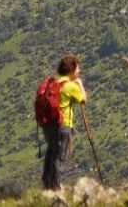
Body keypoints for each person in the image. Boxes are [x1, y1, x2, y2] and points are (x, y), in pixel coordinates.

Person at [40, 54, 87, 190]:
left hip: (48, 126)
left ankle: (46, 183)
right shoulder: (70, 86)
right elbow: (83, 100)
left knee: (51, 153)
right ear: (71, 69)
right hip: (63, 125)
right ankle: (55, 188)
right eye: (78, 69)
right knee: (59, 157)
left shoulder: (54, 83)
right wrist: (80, 85)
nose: (79, 72)